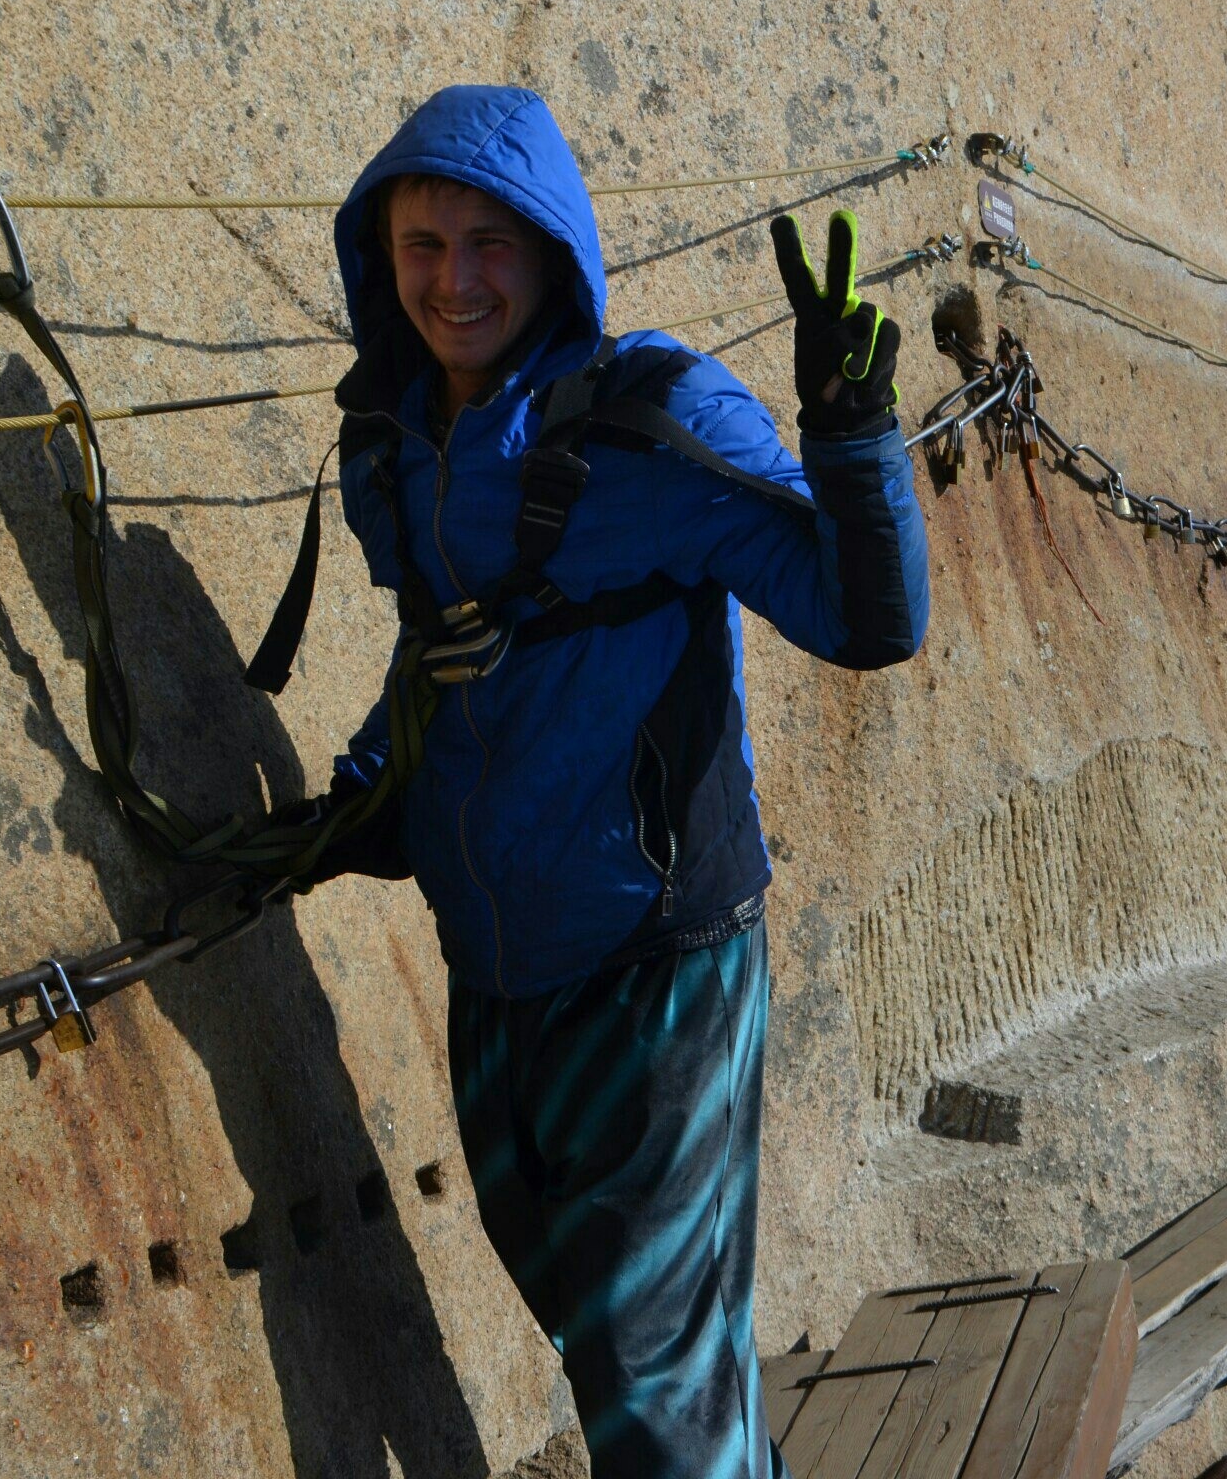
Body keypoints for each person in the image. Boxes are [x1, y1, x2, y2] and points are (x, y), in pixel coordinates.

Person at [303, 84, 929, 1477]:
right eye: (421, 245)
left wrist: (851, 431)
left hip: (659, 965)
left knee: (649, 1368)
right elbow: (445, 659)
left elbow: (864, 620)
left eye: (488, 244)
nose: (454, 281)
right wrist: (358, 799)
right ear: (379, 253)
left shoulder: (651, 419)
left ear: (550, 252)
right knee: (614, 1339)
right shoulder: (395, 440)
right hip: (501, 966)